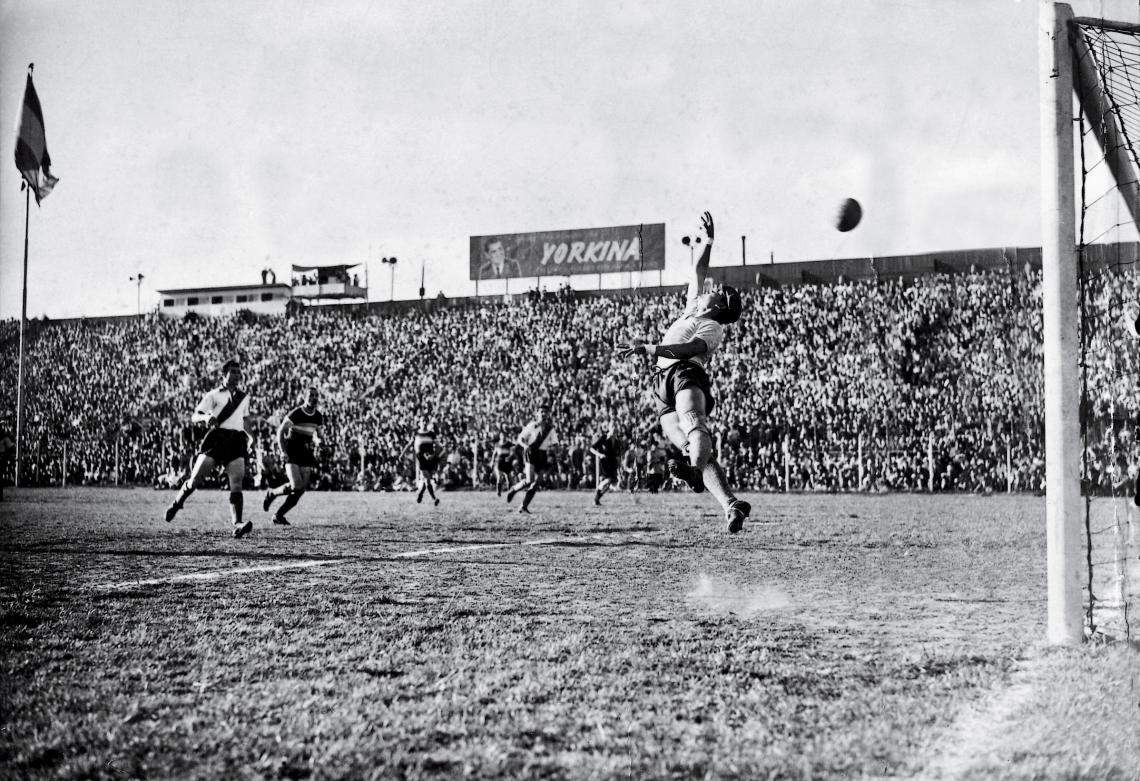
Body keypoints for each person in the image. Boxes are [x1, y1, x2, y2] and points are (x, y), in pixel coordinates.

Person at [618, 210, 752, 533]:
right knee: (690, 448)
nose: (712, 288)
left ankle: (696, 473)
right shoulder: (695, 307)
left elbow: (685, 351)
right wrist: (708, 241)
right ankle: (731, 504)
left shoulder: (712, 327)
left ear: (718, 305)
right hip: (661, 381)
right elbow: (698, 269)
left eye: (717, 292)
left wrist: (651, 349)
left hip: (683, 373)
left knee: (695, 427)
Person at [164, 359, 256, 537]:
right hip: (216, 438)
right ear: (224, 374)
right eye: (233, 371)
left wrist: (251, 437)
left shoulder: (244, 397)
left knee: (236, 482)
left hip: (236, 440)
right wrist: (206, 418)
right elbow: (194, 416)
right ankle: (177, 502)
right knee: (195, 479)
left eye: (239, 372)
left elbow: (245, 420)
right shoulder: (213, 395)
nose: (237, 375)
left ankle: (237, 523)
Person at [262, 386, 324, 525]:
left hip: (306, 452)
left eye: (316, 396)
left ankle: (278, 514)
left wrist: (318, 441)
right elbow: (280, 431)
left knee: (300, 490)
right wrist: (283, 451)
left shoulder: (318, 416)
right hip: (292, 450)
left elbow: (317, 434)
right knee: (297, 485)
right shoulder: (297, 413)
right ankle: (272, 494)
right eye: (311, 395)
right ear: (305, 397)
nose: (314, 398)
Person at [506, 404, 559, 514]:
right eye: (541, 412)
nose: (544, 414)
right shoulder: (532, 425)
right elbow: (520, 438)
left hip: (542, 455)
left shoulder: (550, 429)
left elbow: (555, 444)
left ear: (548, 414)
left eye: (546, 412)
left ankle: (523, 506)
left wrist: (554, 454)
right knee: (529, 480)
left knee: (536, 483)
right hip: (531, 452)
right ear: (537, 414)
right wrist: (525, 446)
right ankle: (514, 489)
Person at [401, 417, 442, 505]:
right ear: (419, 423)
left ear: (427, 423)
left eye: (425, 421)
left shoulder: (431, 434)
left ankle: (420, 494)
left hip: (430, 459)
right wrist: (402, 454)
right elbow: (409, 444)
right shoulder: (416, 433)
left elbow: (438, 446)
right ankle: (434, 499)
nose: (424, 422)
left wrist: (433, 455)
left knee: (426, 480)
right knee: (427, 479)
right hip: (420, 460)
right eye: (422, 421)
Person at [590, 424, 621, 506]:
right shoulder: (603, 438)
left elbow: (618, 454)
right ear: (609, 429)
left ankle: (596, 499)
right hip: (604, 464)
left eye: (615, 430)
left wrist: (618, 463)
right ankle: (596, 497)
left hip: (612, 464)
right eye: (613, 429)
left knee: (611, 483)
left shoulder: (616, 441)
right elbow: (592, 448)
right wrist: (599, 454)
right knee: (608, 480)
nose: (614, 431)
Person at [492, 432, 514, 496]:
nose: (503, 436)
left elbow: (512, 452)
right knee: (499, 477)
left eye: (504, 435)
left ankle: (509, 492)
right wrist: (492, 461)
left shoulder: (509, 444)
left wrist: (509, 457)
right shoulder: (497, 444)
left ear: (506, 436)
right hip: (499, 462)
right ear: (500, 436)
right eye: (502, 435)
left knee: (508, 476)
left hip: (507, 462)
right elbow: (494, 453)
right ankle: (498, 492)